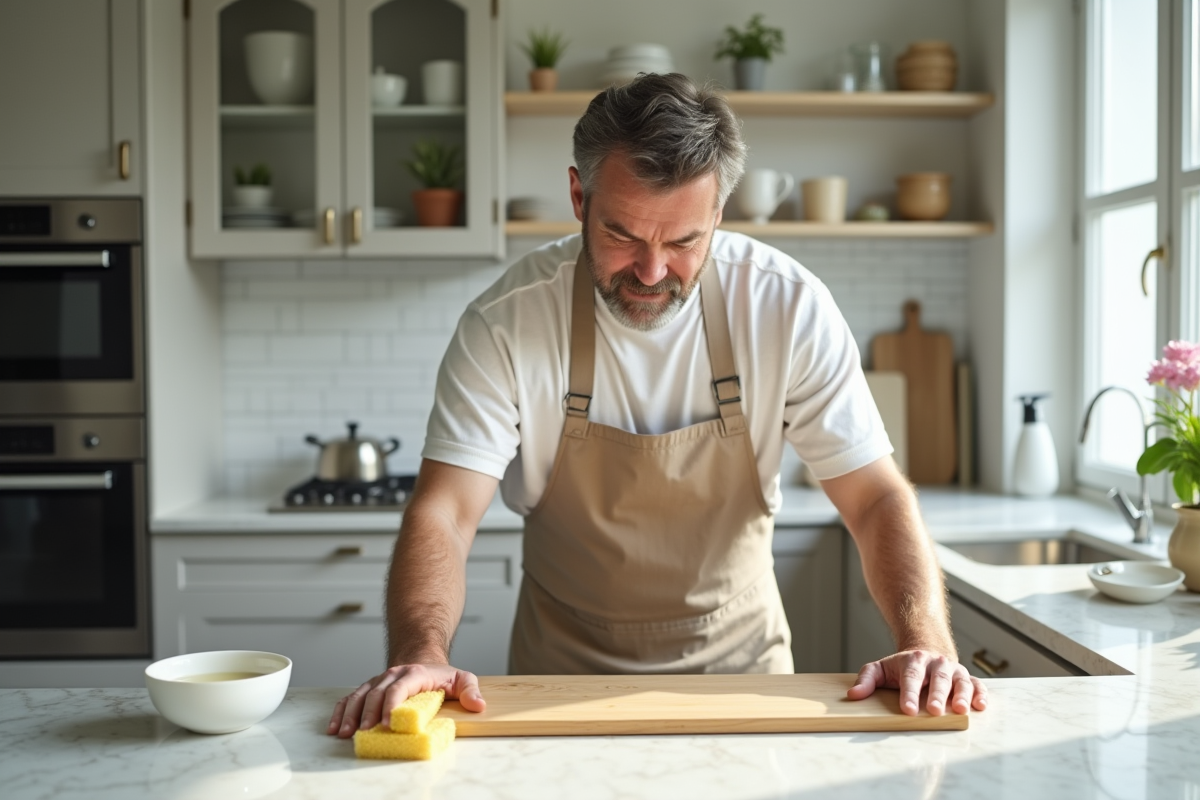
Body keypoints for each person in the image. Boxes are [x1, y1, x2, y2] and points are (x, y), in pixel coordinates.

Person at [328, 73, 986, 739]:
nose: (649, 272)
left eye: (682, 242)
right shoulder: (507, 322)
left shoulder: (785, 307)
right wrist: (421, 654)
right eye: (622, 234)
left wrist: (925, 639)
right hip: (558, 680)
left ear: (718, 217)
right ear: (579, 197)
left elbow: (875, 498)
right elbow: (444, 511)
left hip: (744, 681)